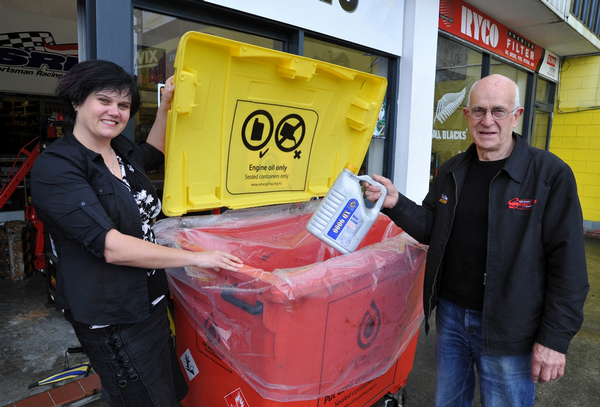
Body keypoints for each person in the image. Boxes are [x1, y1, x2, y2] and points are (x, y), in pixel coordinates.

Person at [364, 74, 589, 407]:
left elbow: (568, 265)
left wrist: (554, 339)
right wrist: (397, 203)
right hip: (453, 317)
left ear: (517, 116)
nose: (488, 121)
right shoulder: (453, 170)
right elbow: (432, 227)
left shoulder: (549, 175)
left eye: (498, 111)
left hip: (511, 325)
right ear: (467, 115)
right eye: (479, 111)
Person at [31, 59, 243, 407]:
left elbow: (155, 152)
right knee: (141, 400)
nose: (114, 111)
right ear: (77, 101)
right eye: (104, 100)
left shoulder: (122, 151)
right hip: (113, 315)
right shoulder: (58, 166)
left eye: (123, 105)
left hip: (152, 301)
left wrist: (165, 108)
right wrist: (197, 258)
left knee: (165, 392)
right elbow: (111, 246)